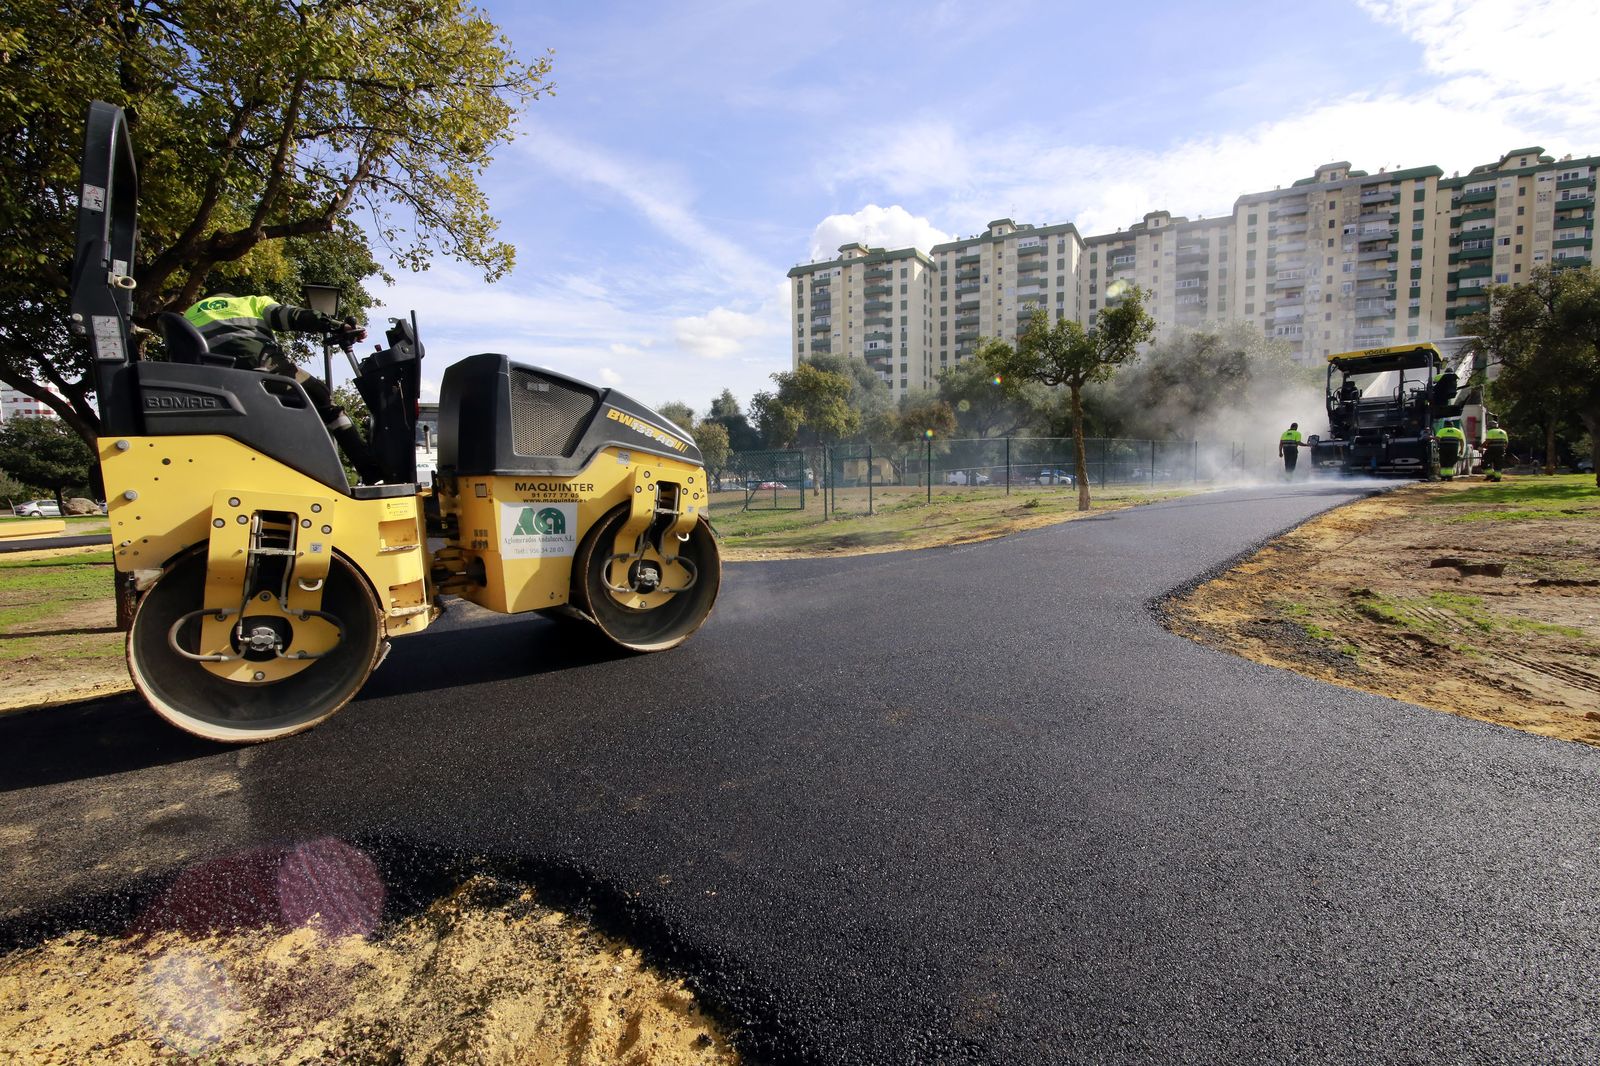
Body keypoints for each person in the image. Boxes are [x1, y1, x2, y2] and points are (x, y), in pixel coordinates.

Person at [183, 294, 382, 483]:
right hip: (263, 373)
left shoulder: (191, 313)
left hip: (212, 384)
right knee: (323, 398)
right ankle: (370, 470)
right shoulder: (252, 302)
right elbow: (292, 317)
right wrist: (337, 326)